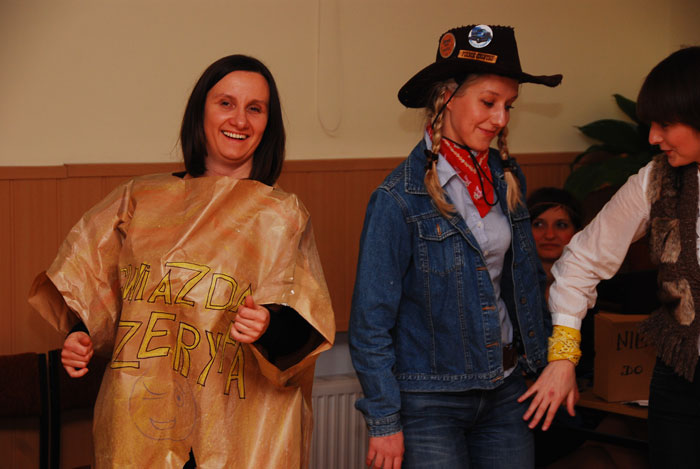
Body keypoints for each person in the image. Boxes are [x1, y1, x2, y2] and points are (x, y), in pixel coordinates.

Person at [28, 54, 335, 468]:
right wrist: (79, 334)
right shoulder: (140, 199)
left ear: (269, 124)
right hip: (138, 421)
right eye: (226, 103)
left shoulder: (281, 216)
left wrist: (268, 326)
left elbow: (305, 332)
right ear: (200, 112)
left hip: (239, 434)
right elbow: (97, 283)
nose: (239, 120)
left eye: (255, 108)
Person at [349, 25, 561, 469]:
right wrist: (385, 421)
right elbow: (371, 323)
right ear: (446, 98)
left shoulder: (507, 179)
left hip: (506, 390)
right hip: (429, 402)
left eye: (508, 106)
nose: (500, 119)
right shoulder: (397, 198)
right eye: (489, 102)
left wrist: (546, 364)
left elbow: (525, 283)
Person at [519, 46, 700, 469]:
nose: (653, 138)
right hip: (681, 378)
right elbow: (581, 260)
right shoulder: (654, 181)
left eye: (665, 124)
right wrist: (563, 356)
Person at [527, 187, 583, 298]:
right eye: (539, 224)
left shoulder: (594, 289)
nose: (550, 235)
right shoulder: (506, 288)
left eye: (561, 225)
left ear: (577, 232)